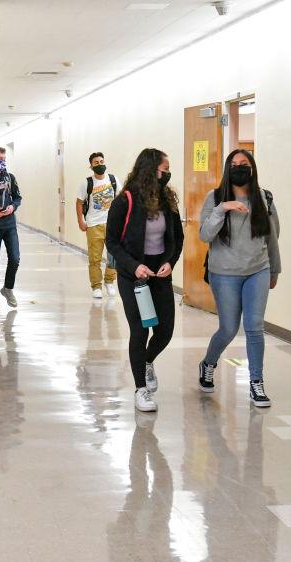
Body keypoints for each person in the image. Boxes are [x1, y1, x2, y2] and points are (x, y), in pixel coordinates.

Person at [197, 148, 281, 408]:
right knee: (229, 329)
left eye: (244, 163)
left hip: (258, 269)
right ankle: (208, 363)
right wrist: (223, 208)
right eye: (234, 164)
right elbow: (205, 234)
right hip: (224, 273)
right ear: (227, 169)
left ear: (252, 167)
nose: (239, 167)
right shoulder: (214, 197)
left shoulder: (264, 198)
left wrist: (275, 269)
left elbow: (272, 237)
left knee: (254, 327)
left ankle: (256, 382)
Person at [106, 148, 184, 412]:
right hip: (133, 275)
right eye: (164, 169)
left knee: (164, 331)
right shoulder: (125, 201)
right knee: (139, 330)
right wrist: (133, 265)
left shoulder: (167, 200)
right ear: (151, 170)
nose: (167, 174)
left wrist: (169, 263)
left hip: (159, 273)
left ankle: (147, 361)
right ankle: (140, 390)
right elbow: (112, 242)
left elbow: (178, 238)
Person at [75, 152, 120, 299]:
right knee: (95, 258)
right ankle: (96, 286)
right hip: (94, 224)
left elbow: (120, 199)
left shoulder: (113, 179)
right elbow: (79, 202)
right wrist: (81, 220)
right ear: (91, 166)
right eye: (96, 162)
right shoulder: (87, 183)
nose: (100, 164)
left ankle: (109, 281)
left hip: (113, 223)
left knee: (113, 256)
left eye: (101, 161)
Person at [0, 146, 22, 311]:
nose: (2, 162)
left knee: (15, 258)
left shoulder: (9, 178)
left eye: (4, 159)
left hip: (9, 225)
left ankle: (7, 289)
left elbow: (17, 197)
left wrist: (12, 207)